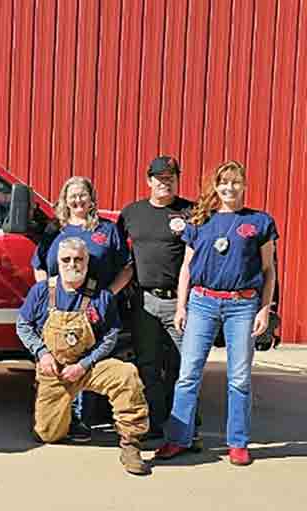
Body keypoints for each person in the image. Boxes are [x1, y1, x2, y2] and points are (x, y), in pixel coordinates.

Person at [156, 161, 278, 466]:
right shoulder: (200, 220)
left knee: (239, 378)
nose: (230, 188)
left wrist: (264, 309)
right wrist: (182, 305)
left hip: (243, 305)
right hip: (202, 302)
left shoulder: (260, 222)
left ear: (244, 185)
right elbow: (186, 267)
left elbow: (268, 271)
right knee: (188, 375)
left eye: (236, 182)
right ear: (216, 186)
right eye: (224, 182)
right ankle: (178, 439)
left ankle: (237, 443)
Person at [16, 237, 150, 475]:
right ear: (57, 262)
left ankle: (131, 444)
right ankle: (62, 415)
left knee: (126, 375)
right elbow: (23, 325)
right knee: (48, 434)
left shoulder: (101, 296)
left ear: (87, 262)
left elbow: (111, 335)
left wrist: (85, 364)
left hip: (88, 368)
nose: (72, 264)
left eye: (78, 259)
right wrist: (42, 353)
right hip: (54, 370)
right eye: (66, 259)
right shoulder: (42, 291)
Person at [31, 176, 131, 441]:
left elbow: (127, 268)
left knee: (86, 358)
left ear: (91, 199)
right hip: (58, 309)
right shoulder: (55, 229)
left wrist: (108, 295)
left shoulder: (107, 229)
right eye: (72, 195)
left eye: (82, 194)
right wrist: (45, 295)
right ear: (65, 200)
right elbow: (38, 264)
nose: (77, 200)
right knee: (58, 360)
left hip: (94, 309)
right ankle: (59, 417)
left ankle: (82, 419)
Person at [116, 156, 200, 444]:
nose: (166, 182)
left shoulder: (191, 212)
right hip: (144, 301)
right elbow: (118, 255)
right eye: (160, 177)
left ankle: (185, 426)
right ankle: (154, 421)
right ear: (148, 180)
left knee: (185, 366)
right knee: (148, 365)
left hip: (181, 302)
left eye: (171, 177)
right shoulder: (131, 213)